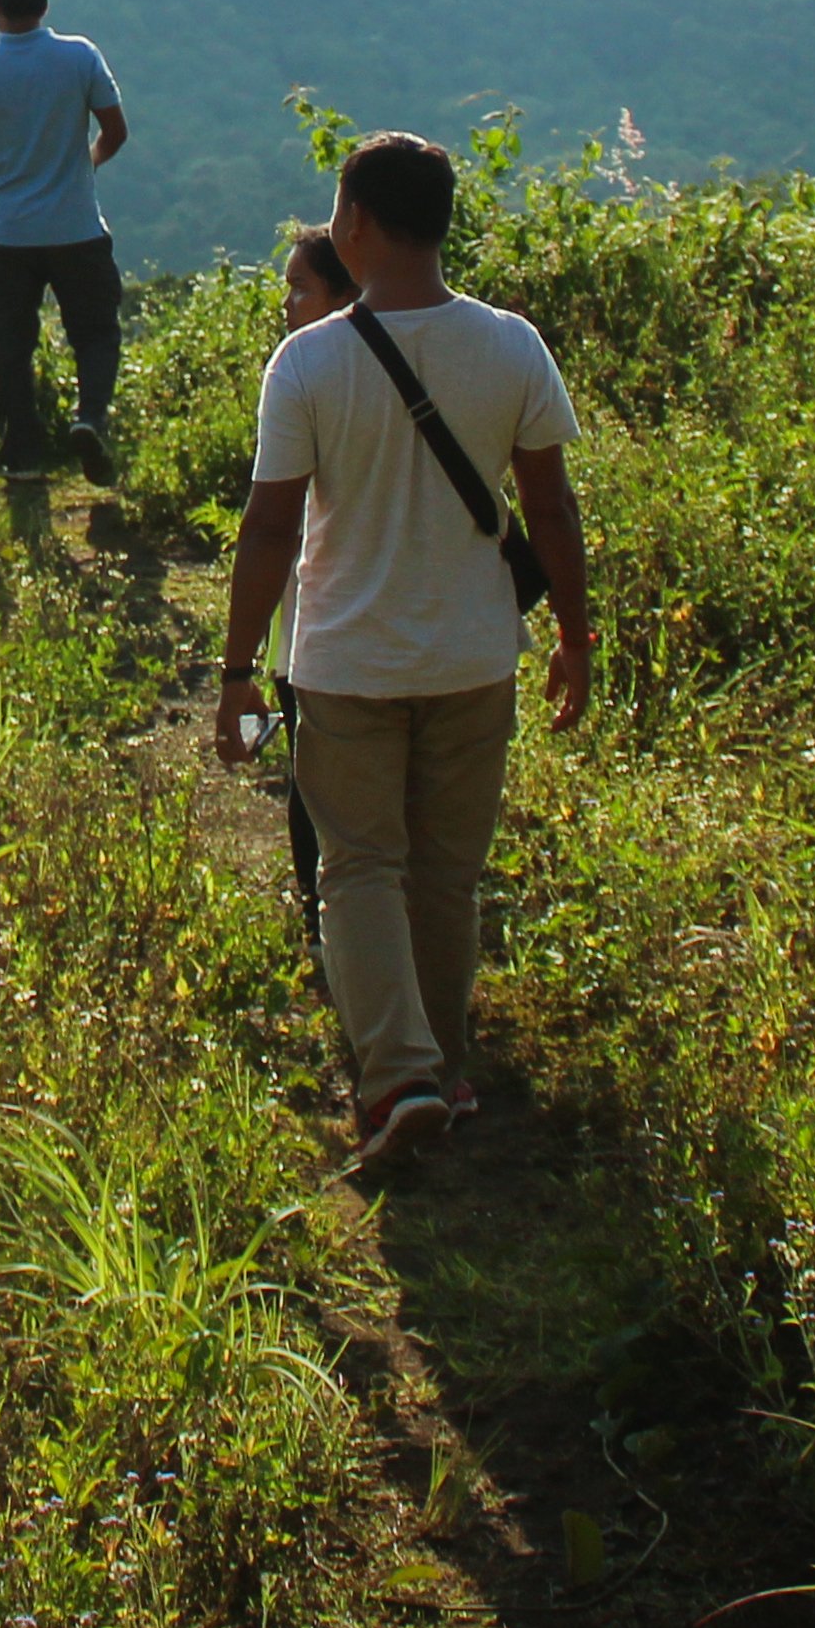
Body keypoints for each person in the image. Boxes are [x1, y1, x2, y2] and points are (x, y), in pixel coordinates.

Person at [208, 130, 597, 1168]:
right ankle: (445, 1070)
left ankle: (396, 1079)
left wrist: (238, 671)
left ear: (359, 223)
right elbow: (551, 509)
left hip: (347, 662)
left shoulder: (310, 360)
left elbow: (269, 529)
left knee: (360, 868)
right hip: (474, 656)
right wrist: (574, 634)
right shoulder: (512, 345)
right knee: (445, 875)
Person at [0, 0, 129, 477]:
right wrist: (86, 162)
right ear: (45, 4)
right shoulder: (79, 56)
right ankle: (89, 418)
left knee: (12, 347)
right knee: (96, 333)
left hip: (8, 234)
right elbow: (116, 131)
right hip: (77, 228)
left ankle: (23, 456)